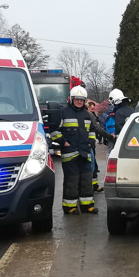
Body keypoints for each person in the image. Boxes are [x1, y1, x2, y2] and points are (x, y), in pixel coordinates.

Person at [50, 85, 111, 215]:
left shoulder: (87, 115)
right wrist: (63, 141)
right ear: (72, 99)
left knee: (86, 180)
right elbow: (54, 130)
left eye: (81, 99)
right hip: (70, 154)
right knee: (71, 182)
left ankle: (87, 205)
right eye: (76, 99)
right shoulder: (63, 113)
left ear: (84, 101)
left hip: (84, 153)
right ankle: (69, 207)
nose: (79, 101)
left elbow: (92, 131)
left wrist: (91, 142)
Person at [86, 100, 103, 192]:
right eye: (91, 108)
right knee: (91, 166)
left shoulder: (93, 115)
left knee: (94, 166)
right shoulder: (88, 115)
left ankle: (94, 185)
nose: (93, 110)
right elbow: (96, 128)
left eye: (94, 108)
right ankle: (91, 186)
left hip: (92, 143)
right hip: (89, 144)